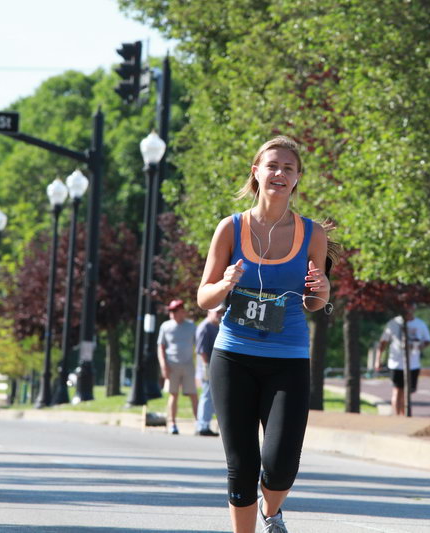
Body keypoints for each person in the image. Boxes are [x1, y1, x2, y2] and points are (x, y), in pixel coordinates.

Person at [197, 136, 333, 533]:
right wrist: (225, 284)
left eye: (288, 168)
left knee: (281, 464)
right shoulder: (231, 228)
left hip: (288, 359)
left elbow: (313, 303)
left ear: (297, 179)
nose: (279, 173)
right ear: (256, 172)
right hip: (233, 356)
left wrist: (323, 290)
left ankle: (271, 511)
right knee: (242, 465)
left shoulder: (312, 234)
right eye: (272, 165)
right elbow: (204, 297)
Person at [375, 303, 430, 416]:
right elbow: (383, 343)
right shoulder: (393, 323)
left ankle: (404, 415)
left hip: (413, 364)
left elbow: (427, 341)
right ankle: (398, 416)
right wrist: (378, 360)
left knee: (407, 392)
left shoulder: (420, 324)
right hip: (396, 363)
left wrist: (419, 346)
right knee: (397, 390)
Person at [157, 299, 198, 435]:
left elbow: (198, 345)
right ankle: (172, 423)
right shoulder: (165, 326)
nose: (172, 313)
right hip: (171, 365)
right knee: (173, 394)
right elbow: (161, 347)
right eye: (171, 311)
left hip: (188, 364)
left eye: (175, 311)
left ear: (182, 311)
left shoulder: (191, 326)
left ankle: (199, 422)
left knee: (193, 394)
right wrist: (163, 365)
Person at [194, 303, 225, 436]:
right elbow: (201, 350)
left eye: (221, 312)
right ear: (209, 313)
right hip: (206, 366)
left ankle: (205, 424)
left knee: (211, 396)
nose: (220, 315)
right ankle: (202, 425)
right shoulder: (205, 327)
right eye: (217, 312)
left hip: (214, 366)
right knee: (206, 395)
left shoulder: (218, 326)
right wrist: (206, 367)